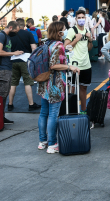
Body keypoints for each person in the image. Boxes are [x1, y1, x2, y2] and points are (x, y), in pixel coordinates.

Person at [37, 22, 80, 154]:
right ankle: (52, 144)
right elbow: (54, 65)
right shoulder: (59, 45)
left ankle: (42, 141)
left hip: (44, 82)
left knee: (44, 112)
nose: (66, 31)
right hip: (55, 84)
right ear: (59, 32)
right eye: (64, 30)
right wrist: (69, 67)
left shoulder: (46, 44)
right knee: (53, 114)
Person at [64, 10, 93, 113]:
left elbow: (89, 48)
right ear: (76, 19)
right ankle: (71, 111)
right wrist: (76, 39)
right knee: (72, 88)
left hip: (86, 64)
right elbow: (65, 46)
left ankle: (83, 110)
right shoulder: (72, 30)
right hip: (74, 65)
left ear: (85, 19)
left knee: (83, 88)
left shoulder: (86, 30)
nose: (81, 19)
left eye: (83, 18)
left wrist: (90, 39)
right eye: (79, 18)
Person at [0, 21, 24, 125]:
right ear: (10, 27)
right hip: (2, 69)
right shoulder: (1, 36)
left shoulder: (6, 37)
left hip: (7, 67)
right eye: (15, 31)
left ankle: (1, 117)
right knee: (2, 94)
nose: (16, 33)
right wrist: (14, 53)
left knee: (5, 93)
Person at [8, 20, 39, 112]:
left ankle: (10, 104)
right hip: (25, 60)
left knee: (13, 83)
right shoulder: (28, 34)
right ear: (24, 25)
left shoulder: (10, 35)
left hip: (13, 59)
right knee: (27, 82)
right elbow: (34, 48)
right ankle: (31, 104)